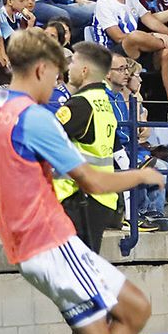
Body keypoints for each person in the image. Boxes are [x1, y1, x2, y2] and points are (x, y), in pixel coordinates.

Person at [0, 29, 163, 334]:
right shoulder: (35, 118)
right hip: (50, 240)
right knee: (135, 309)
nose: (56, 85)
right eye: (55, 75)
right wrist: (141, 175)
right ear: (41, 69)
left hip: (26, 245)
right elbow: (92, 181)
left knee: (111, 322)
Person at [53, 42, 122, 252]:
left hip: (79, 200)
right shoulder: (103, 102)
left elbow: (46, 140)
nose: (68, 67)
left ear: (84, 70)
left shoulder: (80, 104)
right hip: (99, 198)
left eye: (73, 62)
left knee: (72, 267)